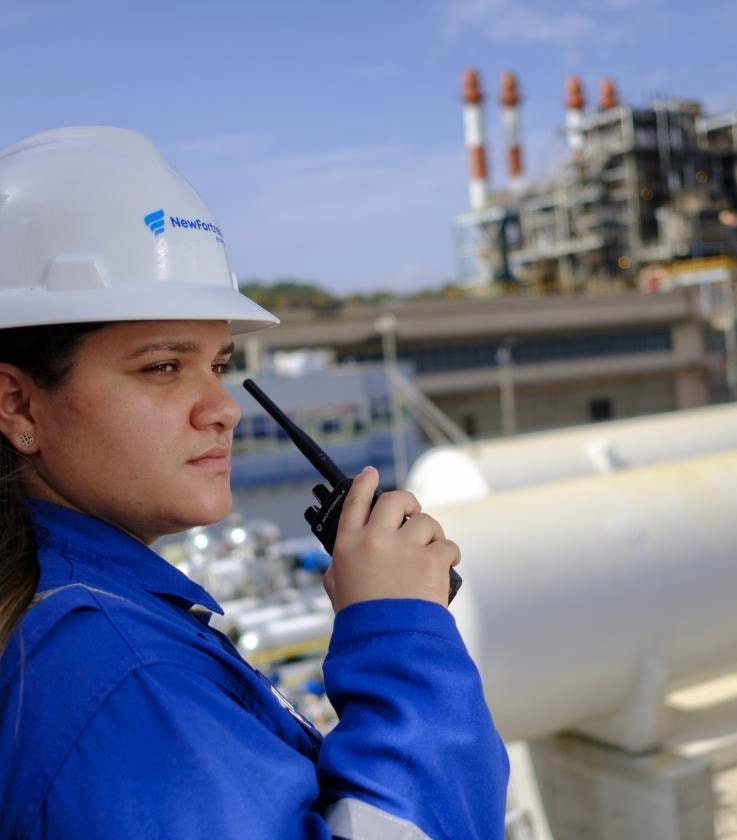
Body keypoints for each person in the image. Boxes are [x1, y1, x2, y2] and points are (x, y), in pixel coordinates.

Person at [0, 126, 509, 839]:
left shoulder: (71, 622)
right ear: (18, 404)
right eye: (162, 367)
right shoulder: (118, 680)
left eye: (218, 363)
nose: (223, 409)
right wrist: (401, 637)